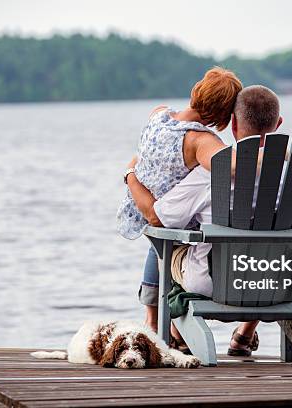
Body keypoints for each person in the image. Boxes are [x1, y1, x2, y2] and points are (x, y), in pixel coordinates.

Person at [126, 85, 292, 356]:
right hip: (274, 281)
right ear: (278, 124)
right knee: (271, 246)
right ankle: (245, 333)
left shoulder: (210, 173)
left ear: (233, 125)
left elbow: (158, 217)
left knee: (165, 245)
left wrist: (130, 174)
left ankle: (169, 330)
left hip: (211, 280)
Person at [117, 66, 243, 334]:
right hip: (170, 216)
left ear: (196, 90)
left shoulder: (158, 114)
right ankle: (175, 326)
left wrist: (130, 172)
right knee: (177, 242)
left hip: (141, 203)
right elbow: (231, 166)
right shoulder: (200, 141)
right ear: (224, 113)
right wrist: (280, 152)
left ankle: (152, 319)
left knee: (157, 247)